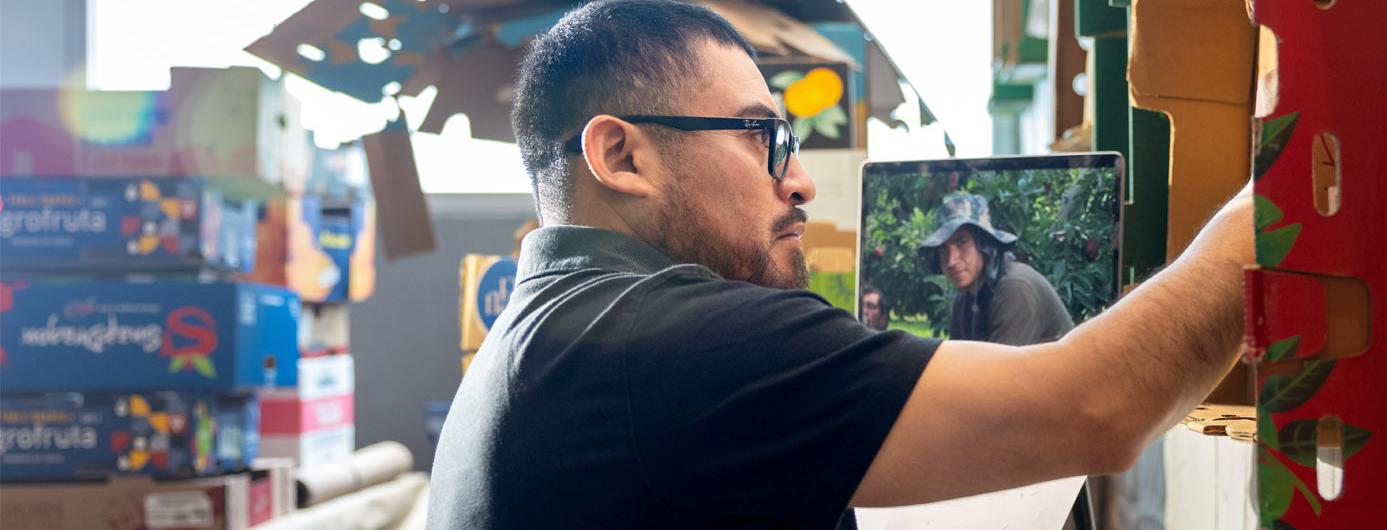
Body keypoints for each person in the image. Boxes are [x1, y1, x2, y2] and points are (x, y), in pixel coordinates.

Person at [426, 2, 1254, 529]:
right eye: (764, 137)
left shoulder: (548, 330)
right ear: (621, 154)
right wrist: (1285, 188)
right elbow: (1099, 406)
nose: (801, 180)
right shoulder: (661, 340)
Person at [918, 193, 1074, 345]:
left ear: (984, 245)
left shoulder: (1015, 287)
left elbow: (1001, 369)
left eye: (962, 242)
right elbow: (959, 364)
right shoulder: (964, 299)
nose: (951, 261)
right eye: (943, 250)